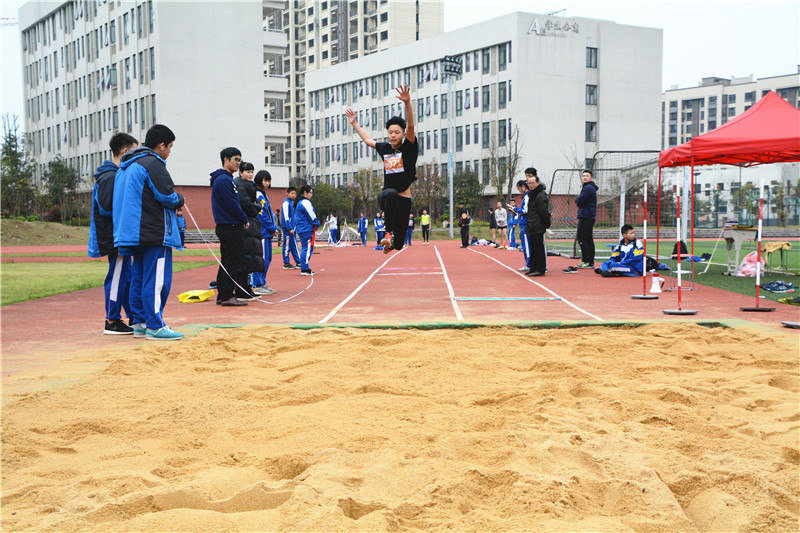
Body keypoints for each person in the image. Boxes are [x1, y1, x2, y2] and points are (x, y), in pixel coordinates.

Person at [113, 124, 184, 340]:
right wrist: (180, 199)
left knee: (139, 278)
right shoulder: (152, 163)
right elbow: (166, 195)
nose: (169, 152)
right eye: (170, 147)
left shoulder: (125, 166)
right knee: (157, 280)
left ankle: (140, 323)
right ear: (161, 145)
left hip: (133, 233)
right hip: (153, 231)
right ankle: (155, 325)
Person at [346, 84, 416, 253]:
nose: (393, 135)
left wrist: (407, 103)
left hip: (404, 201)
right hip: (387, 196)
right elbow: (368, 140)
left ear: (403, 134)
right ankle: (388, 234)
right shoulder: (385, 148)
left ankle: (392, 244)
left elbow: (411, 126)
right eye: (390, 132)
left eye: (397, 132)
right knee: (390, 193)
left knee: (399, 245)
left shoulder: (409, 148)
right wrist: (354, 123)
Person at [89, 132, 138, 335]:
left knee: (126, 276)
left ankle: (133, 315)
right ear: (125, 151)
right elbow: (107, 207)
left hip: (120, 235)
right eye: (134, 152)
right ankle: (111, 320)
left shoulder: (115, 174)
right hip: (114, 237)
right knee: (118, 276)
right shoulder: (110, 176)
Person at [210, 147, 252, 307]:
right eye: (235, 159)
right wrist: (243, 218)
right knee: (232, 261)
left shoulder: (224, 179)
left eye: (240, 160)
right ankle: (227, 295)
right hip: (230, 225)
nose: (238, 163)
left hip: (227, 225)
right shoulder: (224, 180)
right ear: (226, 160)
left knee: (227, 261)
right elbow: (232, 204)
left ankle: (223, 295)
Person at [234, 162, 264, 300]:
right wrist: (256, 207)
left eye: (252, 171)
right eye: (247, 171)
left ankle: (247, 288)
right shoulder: (240, 186)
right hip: (245, 225)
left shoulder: (250, 186)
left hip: (251, 225)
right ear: (241, 173)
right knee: (244, 258)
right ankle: (241, 289)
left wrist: (255, 206)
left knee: (249, 259)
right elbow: (247, 206)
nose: (250, 174)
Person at [253, 170, 280, 295]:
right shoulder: (258, 195)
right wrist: (272, 228)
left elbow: (268, 214)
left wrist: (272, 228)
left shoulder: (264, 195)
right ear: (259, 180)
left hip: (267, 232)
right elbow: (262, 215)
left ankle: (262, 282)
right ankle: (257, 284)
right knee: (262, 259)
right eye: (265, 180)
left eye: (269, 181)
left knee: (268, 258)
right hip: (262, 232)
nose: (267, 183)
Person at [524, 167, 550, 277]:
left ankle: (540, 269)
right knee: (533, 248)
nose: (530, 185)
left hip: (538, 225)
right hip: (532, 224)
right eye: (528, 183)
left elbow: (543, 211)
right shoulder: (532, 194)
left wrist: (547, 224)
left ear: (537, 183)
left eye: (532, 183)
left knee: (539, 248)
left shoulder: (540, 195)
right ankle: (533, 267)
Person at [293, 184, 320, 275]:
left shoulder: (299, 202)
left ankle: (304, 267)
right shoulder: (305, 202)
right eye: (310, 193)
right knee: (307, 248)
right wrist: (316, 223)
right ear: (305, 192)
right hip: (306, 229)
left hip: (302, 228)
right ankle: (304, 268)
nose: (311, 195)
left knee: (306, 248)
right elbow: (311, 215)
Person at [574, 169, 598, 269]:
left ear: (591, 178)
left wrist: (577, 199)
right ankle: (590, 261)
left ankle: (585, 260)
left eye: (587, 176)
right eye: (583, 176)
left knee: (582, 238)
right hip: (588, 216)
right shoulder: (588, 187)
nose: (584, 177)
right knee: (588, 239)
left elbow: (579, 201)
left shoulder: (588, 188)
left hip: (586, 216)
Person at [508, 179, 530, 271]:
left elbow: (525, 210)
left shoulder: (527, 196)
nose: (519, 191)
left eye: (519, 189)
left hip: (525, 224)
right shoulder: (525, 196)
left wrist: (515, 209)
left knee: (526, 245)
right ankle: (528, 263)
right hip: (523, 223)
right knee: (525, 245)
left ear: (523, 187)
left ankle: (529, 264)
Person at [281, 187, 301, 269]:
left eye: (295, 193)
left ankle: (298, 262)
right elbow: (286, 217)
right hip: (288, 229)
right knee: (287, 246)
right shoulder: (286, 203)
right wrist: (289, 228)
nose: (294, 195)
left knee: (294, 245)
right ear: (287, 193)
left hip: (293, 228)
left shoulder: (292, 203)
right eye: (292, 193)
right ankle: (286, 263)